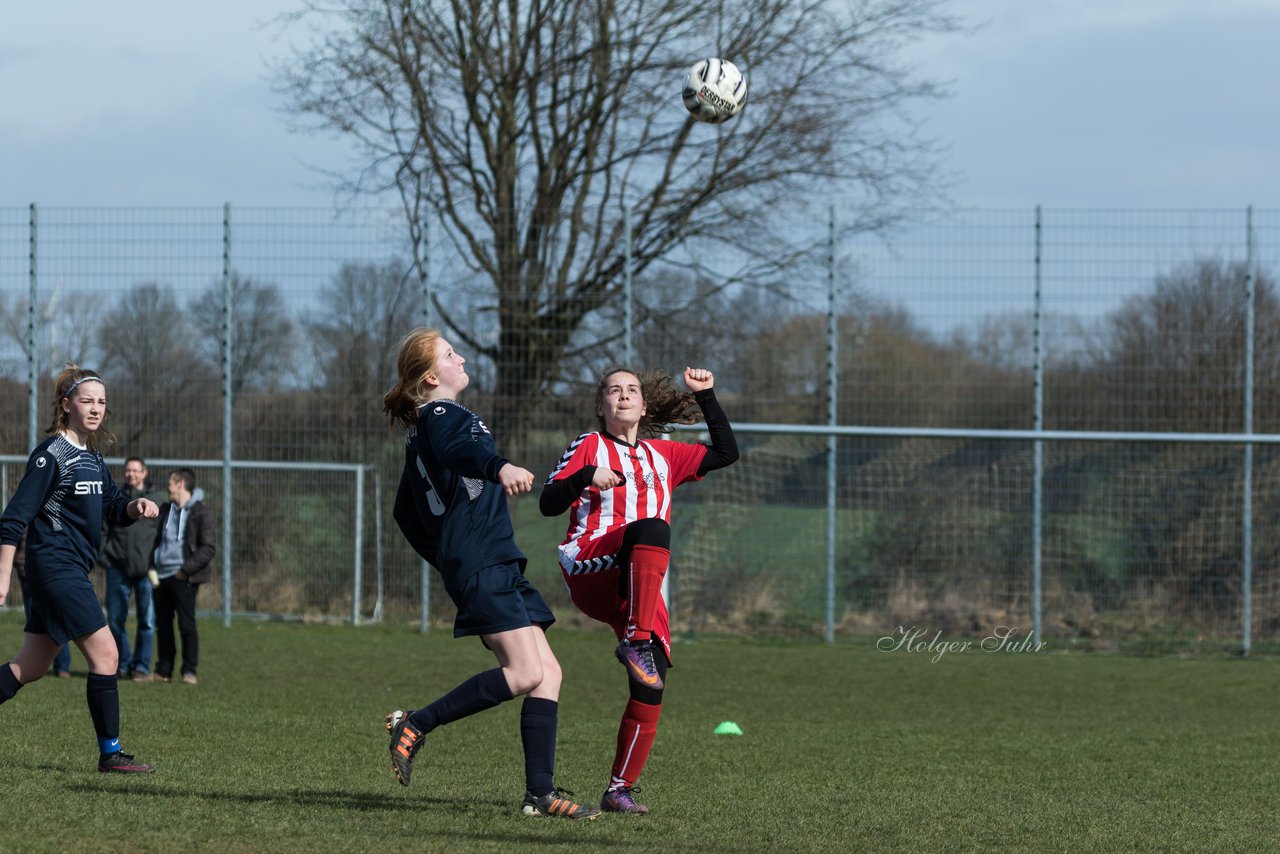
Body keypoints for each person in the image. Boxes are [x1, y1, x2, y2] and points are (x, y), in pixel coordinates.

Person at [382, 327, 599, 820]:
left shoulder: (426, 428)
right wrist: (497, 466)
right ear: (433, 375)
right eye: (451, 354)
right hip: (483, 561)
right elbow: (462, 454)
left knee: (549, 673)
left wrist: (449, 554)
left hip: (490, 559)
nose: (462, 359)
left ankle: (540, 794)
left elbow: (405, 513)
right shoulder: (439, 413)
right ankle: (416, 723)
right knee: (525, 673)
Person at [540, 365, 739, 815]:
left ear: (644, 406)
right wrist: (585, 476)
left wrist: (706, 395)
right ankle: (635, 641)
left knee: (654, 680)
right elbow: (548, 502)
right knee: (651, 527)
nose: (624, 396)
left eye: (632, 390)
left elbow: (727, 452)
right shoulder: (588, 446)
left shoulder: (663, 454)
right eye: (614, 390)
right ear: (601, 406)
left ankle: (618, 789)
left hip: (639, 588)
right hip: (592, 564)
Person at [0, 364, 160, 773]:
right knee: (107, 654)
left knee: (29, 667)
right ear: (66, 404)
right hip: (56, 567)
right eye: (86, 400)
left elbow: (110, 507)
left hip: (70, 570)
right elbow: (14, 518)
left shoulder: (93, 457)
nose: (95, 409)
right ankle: (111, 752)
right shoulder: (51, 454)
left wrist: (133, 506)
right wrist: (2, 575)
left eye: (101, 402)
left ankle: (110, 751)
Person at [99, 456, 166, 681]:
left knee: (147, 621)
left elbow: (163, 536)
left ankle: (141, 666)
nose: (131, 474)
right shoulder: (116, 498)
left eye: (136, 471)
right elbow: (102, 528)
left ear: (144, 473)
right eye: (128, 470)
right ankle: (123, 664)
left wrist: (156, 562)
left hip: (147, 571)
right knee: (116, 620)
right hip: (117, 567)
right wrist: (103, 557)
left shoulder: (157, 500)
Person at [150, 468, 216, 686]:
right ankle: (163, 670)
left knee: (186, 625)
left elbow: (208, 548)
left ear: (180, 484)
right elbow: (156, 539)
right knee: (163, 625)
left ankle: (189, 671)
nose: (168, 487)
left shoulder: (201, 513)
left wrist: (185, 570)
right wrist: (152, 564)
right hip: (161, 576)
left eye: (171, 483)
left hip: (184, 577)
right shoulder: (166, 510)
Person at [13, 530, 72, 677]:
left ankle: (61, 666)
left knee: (57, 621)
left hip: (53, 574)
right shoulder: (25, 511)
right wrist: (18, 563)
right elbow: (12, 536)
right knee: (36, 623)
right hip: (28, 573)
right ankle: (35, 664)